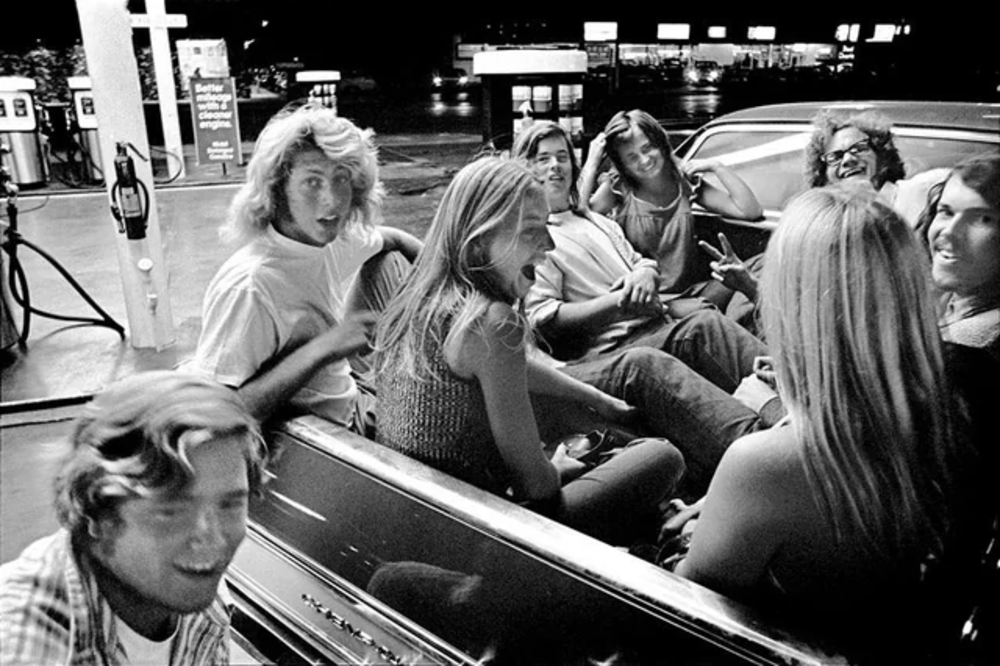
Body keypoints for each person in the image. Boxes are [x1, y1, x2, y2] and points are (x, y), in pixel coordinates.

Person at [671, 186, 969, 662]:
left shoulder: (767, 464)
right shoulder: (949, 402)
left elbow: (682, 614)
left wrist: (687, 536)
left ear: (793, 307)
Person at [374, 156, 685, 546]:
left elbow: (510, 367)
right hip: (483, 534)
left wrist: (597, 399)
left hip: (420, 514)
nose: (549, 246)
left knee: (583, 416)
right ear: (479, 238)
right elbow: (536, 487)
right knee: (662, 456)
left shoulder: (420, 297)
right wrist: (558, 468)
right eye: (531, 231)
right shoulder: (492, 321)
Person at [513, 120, 781, 492]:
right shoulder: (533, 235)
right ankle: (767, 463)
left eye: (561, 157)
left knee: (704, 322)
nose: (555, 166)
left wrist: (645, 273)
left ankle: (800, 398)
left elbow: (640, 261)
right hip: (610, 348)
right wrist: (617, 304)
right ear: (523, 168)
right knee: (660, 355)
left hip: (655, 324)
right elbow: (545, 320)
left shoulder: (594, 221)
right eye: (542, 159)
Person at [0, 370, 268, 665]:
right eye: (171, 510)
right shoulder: (23, 642)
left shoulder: (196, 594)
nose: (213, 538)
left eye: (229, 504)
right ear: (97, 515)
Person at [191, 103, 422, 435]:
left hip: (353, 386)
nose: (332, 201)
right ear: (277, 189)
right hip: (338, 432)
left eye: (341, 178)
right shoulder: (251, 286)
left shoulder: (321, 239)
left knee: (389, 261)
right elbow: (213, 418)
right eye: (312, 182)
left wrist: (451, 279)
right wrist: (324, 348)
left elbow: (393, 238)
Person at [579, 108, 763, 313]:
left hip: (694, 293)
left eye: (648, 148)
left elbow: (749, 210)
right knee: (706, 313)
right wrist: (592, 161)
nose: (644, 160)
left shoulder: (682, 181)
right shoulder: (620, 187)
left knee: (761, 264)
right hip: (649, 301)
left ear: (660, 143)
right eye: (632, 157)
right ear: (623, 165)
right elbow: (578, 213)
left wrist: (717, 166)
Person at [917, 152, 1000, 362]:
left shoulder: (977, 349)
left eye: (983, 219)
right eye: (946, 212)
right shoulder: (943, 301)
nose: (950, 232)